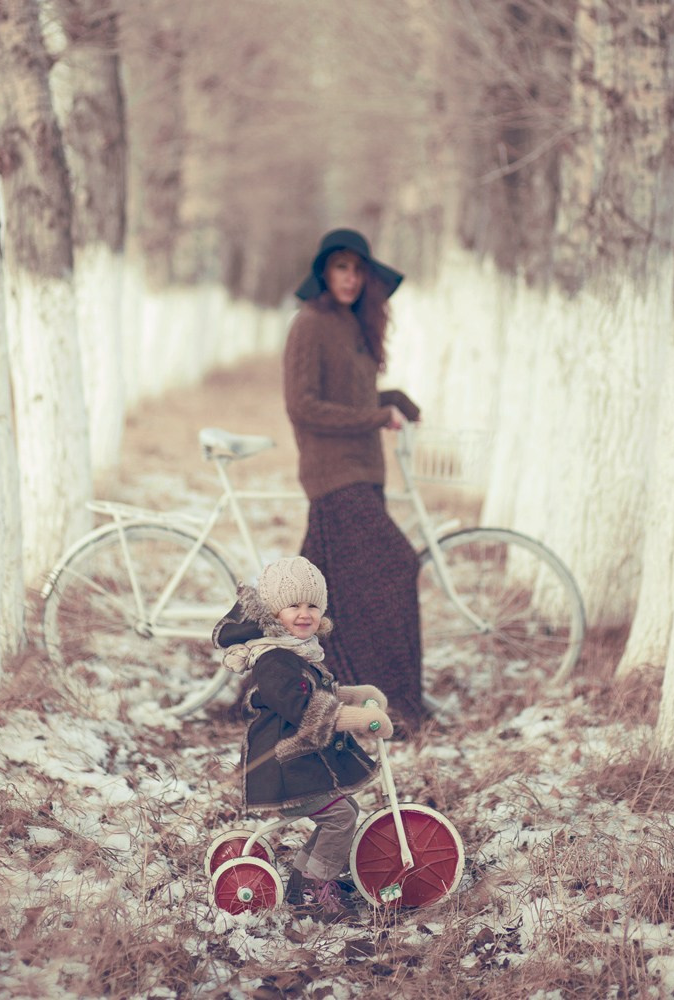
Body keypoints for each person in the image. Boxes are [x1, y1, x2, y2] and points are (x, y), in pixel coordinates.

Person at [284, 228, 426, 735]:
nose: (350, 277)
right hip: (332, 473)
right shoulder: (310, 324)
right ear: (324, 272)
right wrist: (374, 416)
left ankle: (303, 696)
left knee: (323, 598)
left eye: (358, 269)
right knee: (397, 566)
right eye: (341, 267)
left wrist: (394, 398)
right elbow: (303, 405)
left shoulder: (352, 324)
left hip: (364, 472)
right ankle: (402, 702)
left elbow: (352, 396)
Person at [213, 555, 394, 922]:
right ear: (274, 612)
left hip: (300, 762)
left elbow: (316, 691)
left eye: (312, 604)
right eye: (292, 605)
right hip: (283, 768)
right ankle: (314, 887)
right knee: (341, 816)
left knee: (346, 812)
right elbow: (303, 708)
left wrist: (354, 695)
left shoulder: (299, 651)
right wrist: (361, 719)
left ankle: (304, 876)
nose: (304, 613)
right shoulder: (274, 660)